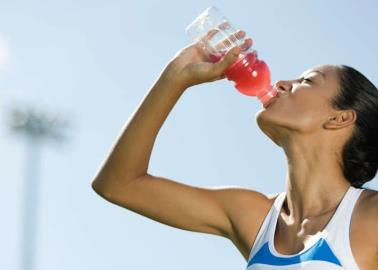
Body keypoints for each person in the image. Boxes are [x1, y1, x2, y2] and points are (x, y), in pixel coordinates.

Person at [91, 30, 378, 269]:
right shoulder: (254, 216)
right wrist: (176, 76)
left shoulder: (370, 216)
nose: (280, 84)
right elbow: (118, 184)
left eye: (307, 81)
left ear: (340, 118)